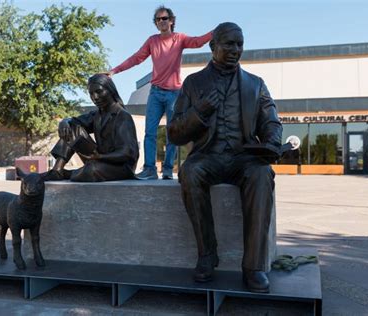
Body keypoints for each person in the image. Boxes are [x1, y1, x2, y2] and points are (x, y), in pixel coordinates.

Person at [168, 22, 283, 293]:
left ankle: (253, 266)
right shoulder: (194, 83)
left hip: (244, 157)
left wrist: (272, 141)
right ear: (213, 46)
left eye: (240, 44)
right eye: (229, 44)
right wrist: (200, 112)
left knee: (262, 173)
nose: (235, 50)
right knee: (190, 172)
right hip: (208, 156)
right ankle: (207, 255)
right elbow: (174, 133)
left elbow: (271, 121)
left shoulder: (255, 84)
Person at [108, 6, 212, 180]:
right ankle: (149, 169)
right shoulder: (152, 41)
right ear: (156, 24)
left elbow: (197, 42)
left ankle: (168, 170)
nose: (161, 22)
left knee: (172, 133)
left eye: (164, 18)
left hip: (174, 94)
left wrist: (214, 33)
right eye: (158, 19)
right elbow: (136, 58)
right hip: (155, 93)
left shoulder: (179, 39)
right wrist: (114, 71)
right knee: (150, 132)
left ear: (171, 20)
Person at [45, 74, 139, 182]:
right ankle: (57, 170)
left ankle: (67, 173)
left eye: (99, 92)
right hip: (99, 160)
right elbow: (74, 122)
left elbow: (127, 153)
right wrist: (64, 122)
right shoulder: (96, 115)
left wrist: (99, 157)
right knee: (71, 127)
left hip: (120, 166)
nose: (95, 97)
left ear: (110, 90)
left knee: (91, 171)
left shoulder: (122, 116)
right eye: (91, 94)